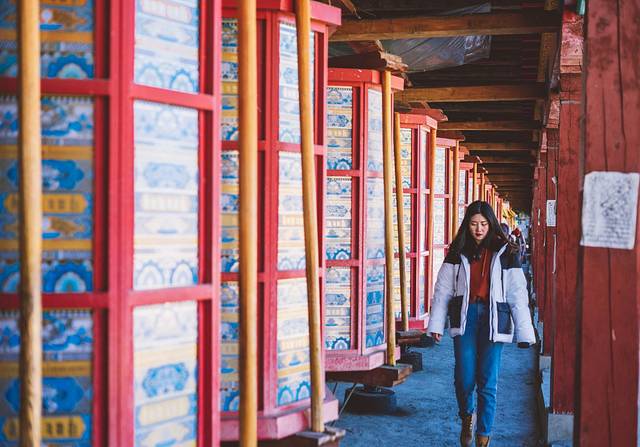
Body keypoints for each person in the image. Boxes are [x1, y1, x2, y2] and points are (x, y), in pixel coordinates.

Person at [427, 201, 535, 447]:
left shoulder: (506, 252)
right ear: (467, 225)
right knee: (463, 378)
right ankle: (467, 416)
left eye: (483, 224)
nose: (478, 229)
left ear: (491, 224)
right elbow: (443, 290)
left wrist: (525, 332)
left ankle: (483, 437)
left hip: (495, 319)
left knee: (488, 381)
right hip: (465, 318)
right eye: (474, 224)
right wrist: (436, 324)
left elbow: (517, 293)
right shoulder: (457, 251)